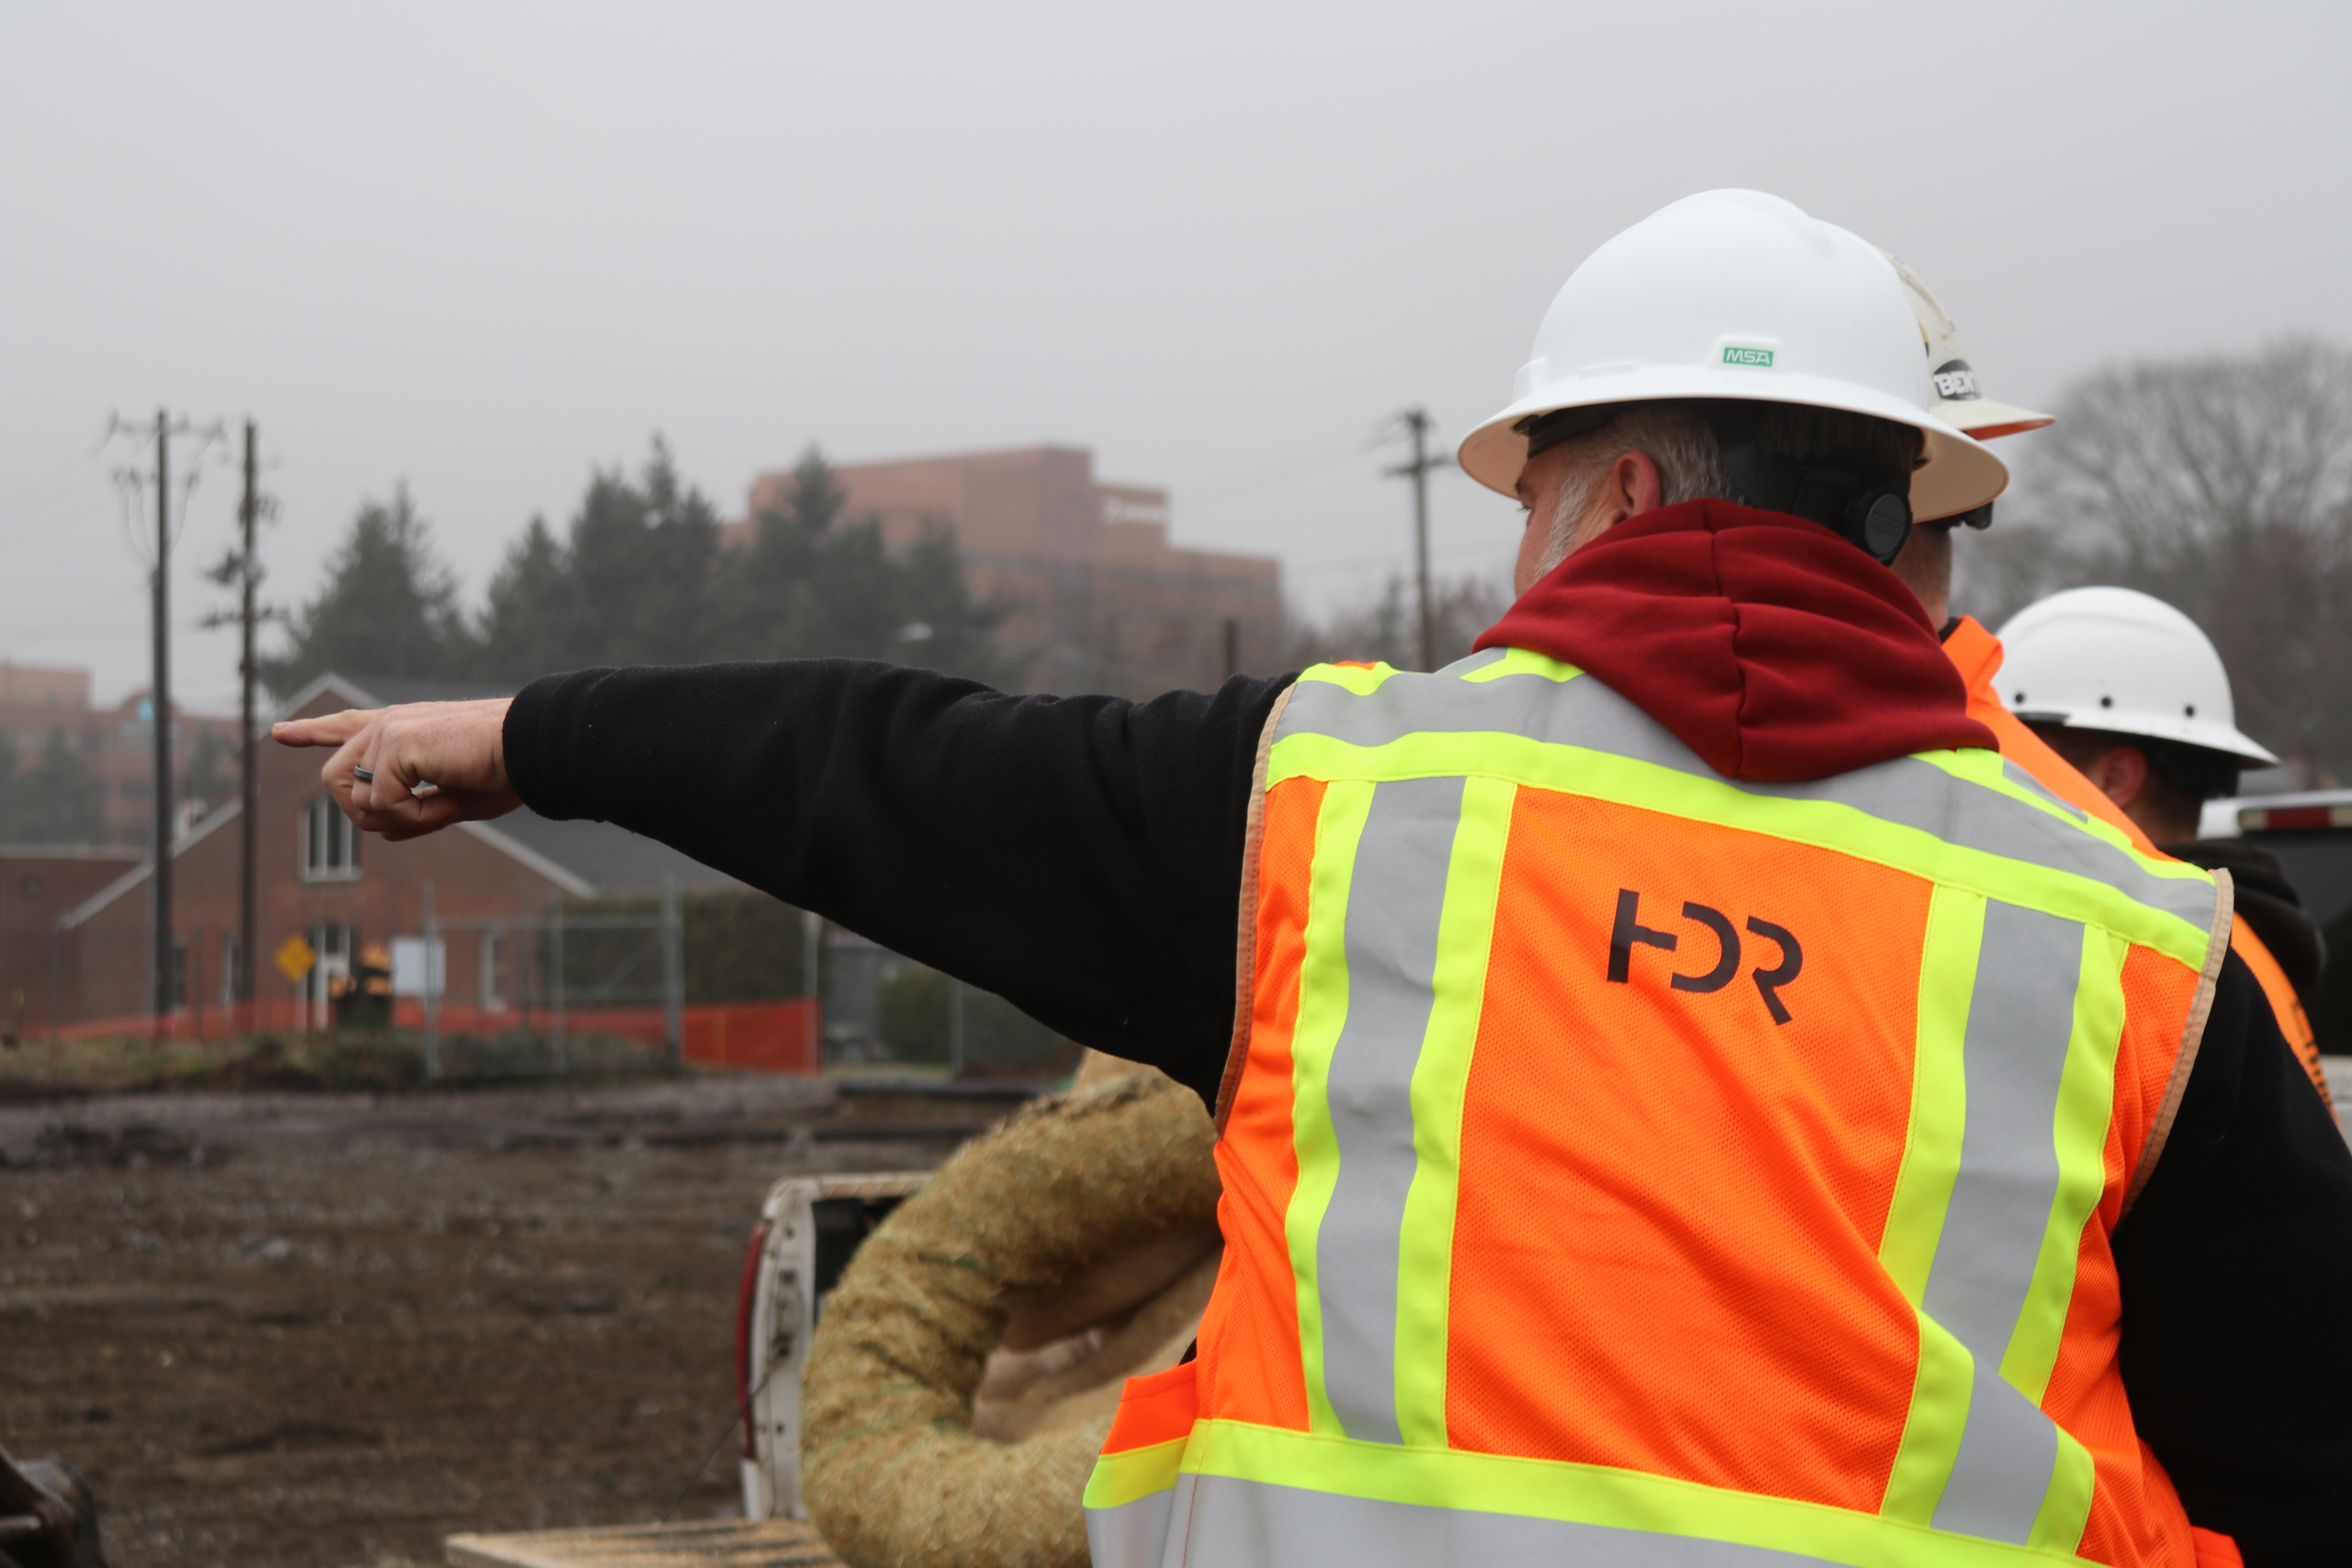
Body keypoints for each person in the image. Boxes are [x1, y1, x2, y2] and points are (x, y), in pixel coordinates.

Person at [277, 190, 2352, 1566]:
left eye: (1531, 496)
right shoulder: (2132, 951)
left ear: (1624, 494)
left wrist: (527, 737)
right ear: (1893, 520)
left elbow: (877, 769)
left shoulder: (1329, 810)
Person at [1873, 260, 2335, 1111]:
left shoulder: (2174, 958)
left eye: (2033, 741)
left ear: (2118, 774)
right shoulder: (2228, 945)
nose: (2006, 762)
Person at [2000, 587, 2331, 1100]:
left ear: (2114, 779)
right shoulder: (2229, 941)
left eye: (2025, 756)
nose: (1997, 778)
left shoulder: (2155, 962)